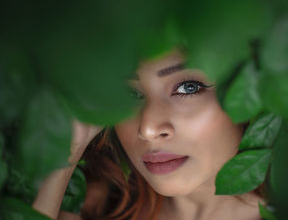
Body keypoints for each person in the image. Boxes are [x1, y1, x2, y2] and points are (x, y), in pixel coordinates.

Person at [33, 48, 265, 220]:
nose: (148, 129)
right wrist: (68, 149)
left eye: (188, 87)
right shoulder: (96, 207)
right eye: (130, 94)